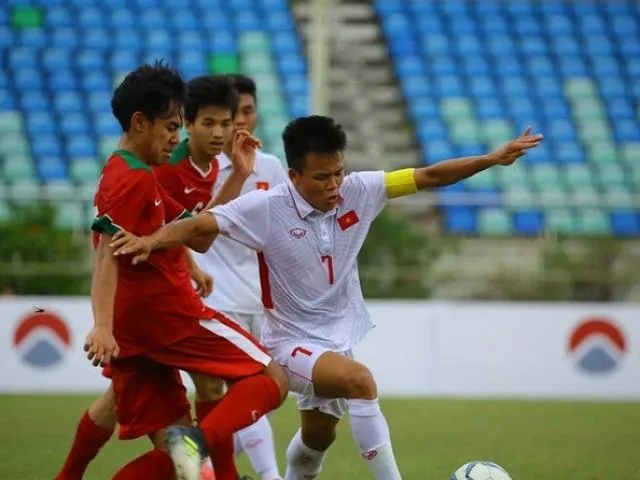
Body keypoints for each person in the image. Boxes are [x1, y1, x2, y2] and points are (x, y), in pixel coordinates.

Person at [109, 115, 543, 479]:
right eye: (321, 177)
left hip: (337, 341)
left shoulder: (361, 188)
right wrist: (150, 240)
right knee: (361, 382)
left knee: (317, 440)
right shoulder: (265, 207)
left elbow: (429, 176)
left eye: (338, 172)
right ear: (293, 176)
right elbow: (198, 226)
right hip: (288, 343)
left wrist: (491, 158)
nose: (334, 184)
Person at [83, 63, 289, 480]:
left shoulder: (132, 170)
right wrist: (101, 324)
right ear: (141, 123)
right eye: (174, 127)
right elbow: (106, 254)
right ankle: (216, 459)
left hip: (140, 324)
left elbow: (195, 233)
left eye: (226, 122)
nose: (176, 137)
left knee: (178, 456)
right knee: (272, 378)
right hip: (167, 315)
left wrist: (239, 177)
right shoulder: (145, 176)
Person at [194, 74, 287, 480]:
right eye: (235, 114)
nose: (243, 121)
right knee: (244, 386)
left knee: (247, 400)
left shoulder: (271, 167)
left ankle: (196, 462)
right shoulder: (204, 168)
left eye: (249, 111)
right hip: (217, 299)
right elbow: (192, 230)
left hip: (262, 302)